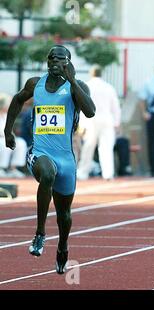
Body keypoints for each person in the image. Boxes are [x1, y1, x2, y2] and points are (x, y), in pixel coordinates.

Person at [3, 45, 95, 274]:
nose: (54, 62)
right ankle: (40, 233)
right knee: (47, 174)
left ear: (68, 62)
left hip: (66, 158)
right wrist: (8, 130)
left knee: (65, 215)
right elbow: (16, 100)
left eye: (60, 59)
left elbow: (91, 111)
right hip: (40, 152)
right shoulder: (36, 84)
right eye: (51, 58)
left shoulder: (77, 87)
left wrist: (72, 81)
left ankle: (63, 244)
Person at [77, 65, 121, 180]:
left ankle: (82, 172)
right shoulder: (109, 87)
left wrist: (81, 124)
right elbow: (115, 107)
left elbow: (82, 106)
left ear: (91, 74)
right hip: (106, 120)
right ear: (101, 74)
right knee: (106, 148)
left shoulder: (86, 86)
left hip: (90, 120)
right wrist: (117, 123)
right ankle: (108, 173)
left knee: (88, 147)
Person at [0, 93, 27, 178]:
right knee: (3, 143)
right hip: (0, 139)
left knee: (21, 143)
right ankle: (1, 168)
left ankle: (13, 169)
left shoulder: (6, 116)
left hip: (5, 138)